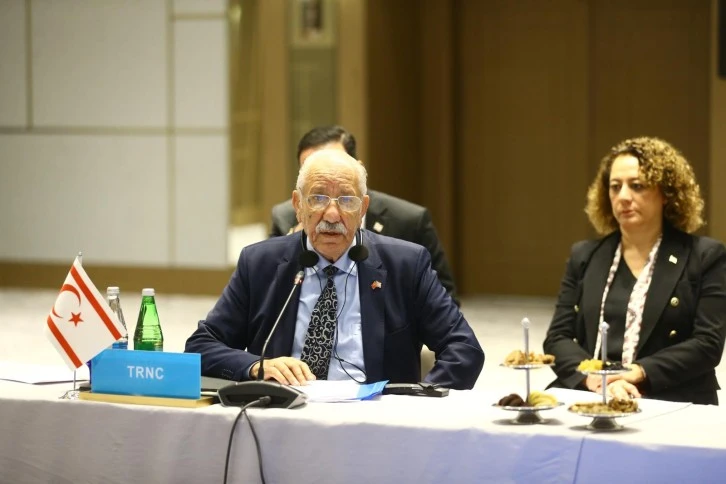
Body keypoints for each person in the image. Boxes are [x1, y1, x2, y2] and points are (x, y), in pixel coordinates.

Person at [186, 149, 484, 390]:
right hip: (283, 415)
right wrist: (255, 366)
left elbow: (464, 350)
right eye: (317, 198)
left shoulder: (406, 264)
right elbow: (201, 346)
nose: (331, 214)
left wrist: (415, 401)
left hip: (374, 422)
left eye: (346, 200)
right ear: (298, 205)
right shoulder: (259, 263)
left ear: (363, 208)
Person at [543, 136, 726, 405]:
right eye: (615, 187)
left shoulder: (705, 256)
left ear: (666, 193)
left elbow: (708, 344)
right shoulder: (584, 255)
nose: (623, 196)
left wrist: (637, 373)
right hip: (593, 392)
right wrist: (596, 379)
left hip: (669, 394)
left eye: (637, 186)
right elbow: (557, 338)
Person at [270, 125, 460, 306]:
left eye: (335, 164)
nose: (331, 215)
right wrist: (296, 240)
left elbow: (443, 302)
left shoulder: (408, 220)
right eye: (311, 168)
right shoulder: (285, 218)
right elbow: (267, 296)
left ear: (358, 168)